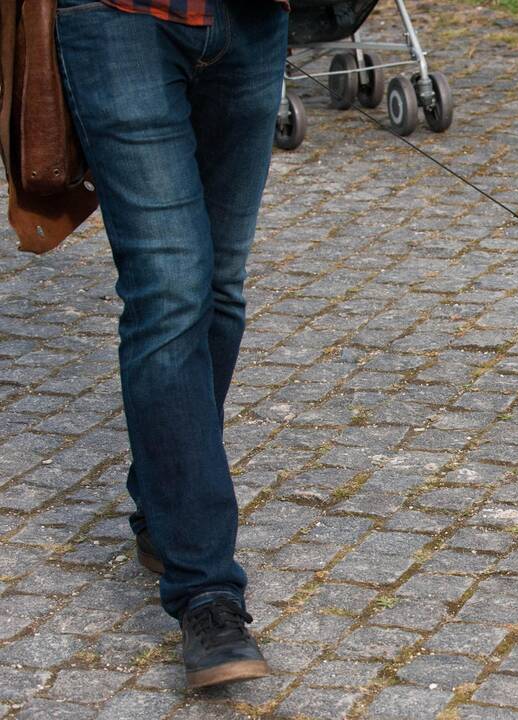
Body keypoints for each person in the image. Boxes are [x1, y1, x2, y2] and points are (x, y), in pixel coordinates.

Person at [54, 0, 289, 688]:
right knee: (168, 293)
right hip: (119, 19)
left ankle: (165, 506)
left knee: (218, 286)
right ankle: (206, 593)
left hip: (252, 23)